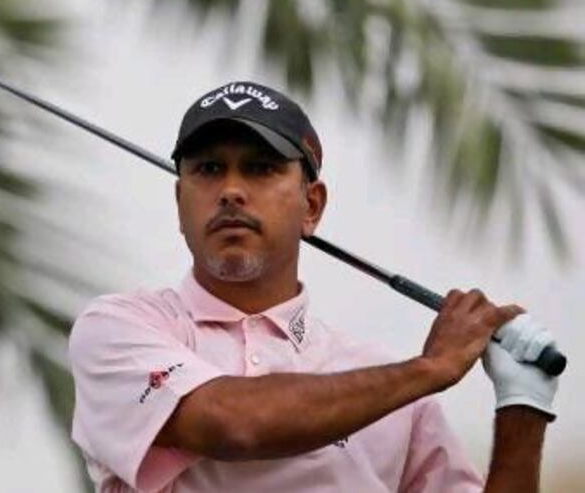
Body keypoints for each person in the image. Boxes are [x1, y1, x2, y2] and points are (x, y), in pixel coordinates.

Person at [68, 81, 559, 492]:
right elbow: (236, 424)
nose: (231, 190)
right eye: (208, 168)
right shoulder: (120, 328)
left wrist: (523, 408)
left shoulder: (395, 394)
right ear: (180, 202)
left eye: (260, 168)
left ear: (312, 206)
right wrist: (430, 367)